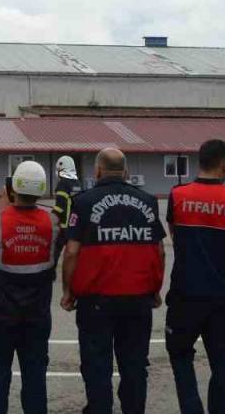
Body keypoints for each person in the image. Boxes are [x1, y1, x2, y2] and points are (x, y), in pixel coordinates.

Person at [61, 148, 166, 414]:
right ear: (127, 172)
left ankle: (99, 409)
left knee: (96, 363)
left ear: (97, 171)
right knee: (134, 363)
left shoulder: (84, 202)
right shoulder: (148, 201)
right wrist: (155, 289)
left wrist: (68, 291)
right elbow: (160, 251)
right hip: (138, 298)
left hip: (96, 300)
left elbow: (72, 251)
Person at [164, 139, 225, 414]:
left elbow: (175, 236)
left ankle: (192, 408)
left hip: (185, 291)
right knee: (222, 362)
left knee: (180, 355)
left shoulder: (177, 194)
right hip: (222, 294)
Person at [0, 160, 58, 414]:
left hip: (0, 316)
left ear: (13, 187)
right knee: (35, 378)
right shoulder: (53, 224)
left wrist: (5, 208)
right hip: (37, 316)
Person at [51, 155, 78, 261]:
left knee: (54, 253)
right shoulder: (77, 183)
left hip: (63, 227)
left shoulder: (62, 184)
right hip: (75, 226)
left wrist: (49, 217)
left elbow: (60, 208)